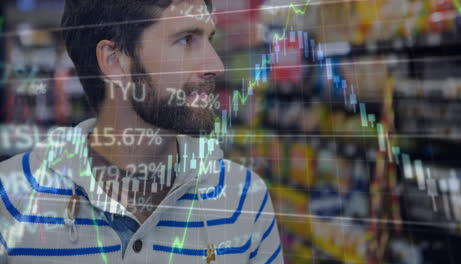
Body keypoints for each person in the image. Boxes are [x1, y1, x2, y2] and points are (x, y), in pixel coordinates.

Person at [0, 0, 283, 263]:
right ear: (114, 61)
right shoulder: (11, 200)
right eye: (186, 40)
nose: (216, 65)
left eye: (208, 40)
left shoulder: (245, 198)